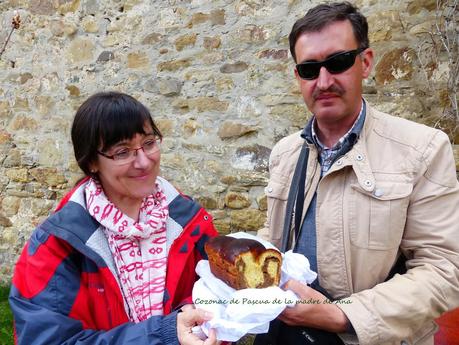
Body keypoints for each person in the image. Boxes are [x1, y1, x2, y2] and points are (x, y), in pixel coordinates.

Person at [257, 2, 459, 345]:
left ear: (365, 63)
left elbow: (444, 270)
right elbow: (277, 238)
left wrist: (344, 315)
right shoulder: (286, 152)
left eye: (337, 63)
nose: (323, 81)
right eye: (309, 69)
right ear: (298, 77)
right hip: (286, 332)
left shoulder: (423, 148)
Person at [9, 92, 219, 345]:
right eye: (122, 152)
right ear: (91, 163)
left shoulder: (190, 222)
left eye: (149, 143)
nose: (143, 162)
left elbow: (218, 295)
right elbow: (46, 340)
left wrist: (196, 315)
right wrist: (164, 334)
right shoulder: (57, 244)